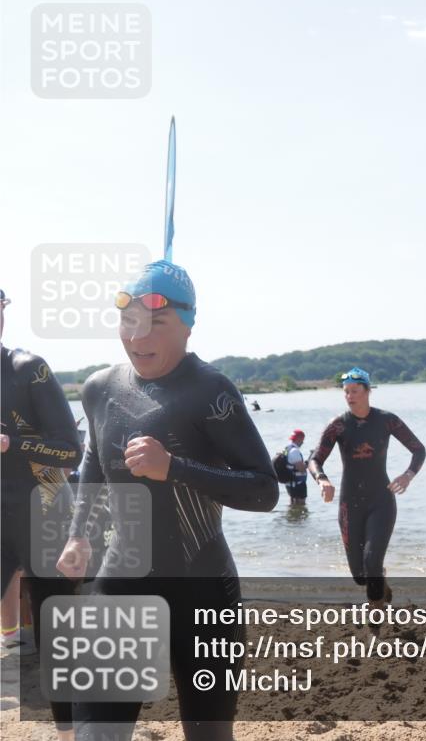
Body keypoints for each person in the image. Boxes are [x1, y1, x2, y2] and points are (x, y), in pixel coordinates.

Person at [56, 260, 279, 741]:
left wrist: (174, 468)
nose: (138, 336)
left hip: (203, 594)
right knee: (96, 733)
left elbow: (264, 489)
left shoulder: (210, 391)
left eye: (156, 322)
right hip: (120, 586)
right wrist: (78, 535)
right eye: (128, 320)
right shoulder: (100, 388)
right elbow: (94, 459)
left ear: (188, 324)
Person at [0, 287, 82, 740]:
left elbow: (70, 450)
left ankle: (68, 734)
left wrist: (12, 443)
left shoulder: (28, 369)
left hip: (44, 512)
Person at [308, 367, 426, 609]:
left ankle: (376, 616)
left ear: (368, 391)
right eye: (346, 392)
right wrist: (322, 480)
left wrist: (408, 475)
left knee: (371, 561)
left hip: (381, 500)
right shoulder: (338, 425)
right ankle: (379, 580)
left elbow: (418, 449)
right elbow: (314, 459)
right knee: (360, 575)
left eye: (355, 391)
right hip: (350, 503)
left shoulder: (386, 420)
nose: (349, 396)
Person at [285, 429, 309, 505]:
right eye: (302, 440)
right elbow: (301, 468)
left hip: (290, 483)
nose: (303, 442)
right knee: (301, 504)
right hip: (298, 483)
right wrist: (309, 462)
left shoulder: (287, 449)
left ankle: (293, 513)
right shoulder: (294, 451)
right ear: (299, 439)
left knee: (293, 504)